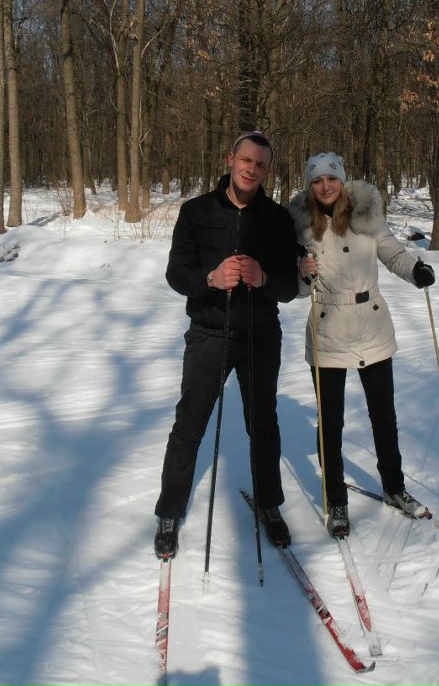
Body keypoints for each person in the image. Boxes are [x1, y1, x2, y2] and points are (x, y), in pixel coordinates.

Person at [154, 131, 299, 559]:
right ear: (230, 159)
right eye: (246, 160)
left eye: (261, 164)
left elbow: (290, 287)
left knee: (264, 424)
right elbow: (175, 273)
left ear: (268, 170)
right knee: (190, 423)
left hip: (260, 335)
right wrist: (209, 279)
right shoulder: (195, 211)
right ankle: (169, 510)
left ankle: (269, 504)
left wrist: (265, 279)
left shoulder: (276, 219)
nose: (252, 169)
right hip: (209, 333)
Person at [288, 152, 436, 538]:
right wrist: (303, 275)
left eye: (331, 178)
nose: (325, 186)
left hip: (372, 326)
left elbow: (393, 254)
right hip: (327, 330)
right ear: (310, 184)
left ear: (341, 180)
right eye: (317, 180)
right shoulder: (301, 226)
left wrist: (416, 271)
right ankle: (335, 500)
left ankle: (394, 488)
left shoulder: (367, 215)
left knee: (384, 416)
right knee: (331, 423)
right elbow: (300, 290)